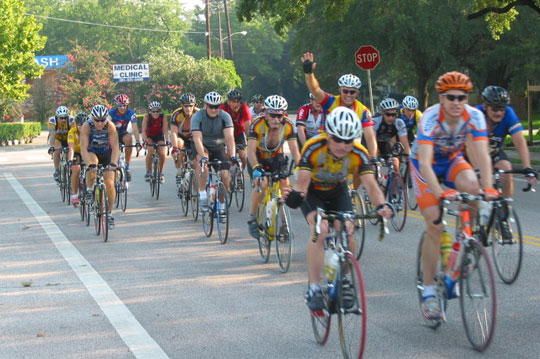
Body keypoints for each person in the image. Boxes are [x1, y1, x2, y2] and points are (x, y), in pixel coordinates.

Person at [282, 107, 393, 310]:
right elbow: (303, 185)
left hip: (337, 190)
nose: (343, 145)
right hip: (313, 191)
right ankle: (314, 288)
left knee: (348, 231)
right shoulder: (314, 146)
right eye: (337, 139)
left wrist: (381, 205)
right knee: (321, 229)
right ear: (328, 135)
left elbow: (370, 183)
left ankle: (344, 280)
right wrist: (296, 197)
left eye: (348, 140)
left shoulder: (360, 153)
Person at [410, 71, 497, 320]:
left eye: (462, 97)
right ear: (441, 98)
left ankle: (462, 242)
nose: (457, 102)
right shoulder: (429, 118)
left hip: (451, 160)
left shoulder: (475, 117)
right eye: (451, 98)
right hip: (423, 165)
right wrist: (440, 193)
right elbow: (425, 164)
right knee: (434, 223)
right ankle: (428, 294)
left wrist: (488, 188)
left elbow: (482, 156)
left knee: (473, 186)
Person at [301, 52, 378, 159]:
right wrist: (309, 73)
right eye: (345, 91)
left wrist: (373, 158)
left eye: (352, 92)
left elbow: (370, 137)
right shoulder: (330, 101)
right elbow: (315, 90)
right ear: (340, 91)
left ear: (357, 93)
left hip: (346, 146)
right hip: (324, 142)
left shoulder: (363, 111)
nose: (348, 95)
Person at [246, 95, 301, 239]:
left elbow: (295, 151)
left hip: (276, 157)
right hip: (258, 157)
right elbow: (250, 151)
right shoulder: (257, 124)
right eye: (273, 115)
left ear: (284, 114)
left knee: (285, 185)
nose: (276, 119)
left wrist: (300, 168)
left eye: (279, 115)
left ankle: (284, 223)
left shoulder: (288, 125)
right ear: (265, 113)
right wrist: (256, 168)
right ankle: (252, 218)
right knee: (262, 184)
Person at [476, 86, 537, 200]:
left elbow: (519, 141)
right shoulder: (476, 114)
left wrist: (528, 167)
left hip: (493, 152)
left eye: (502, 108)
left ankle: (505, 208)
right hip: (474, 154)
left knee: (506, 168)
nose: (499, 113)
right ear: (485, 106)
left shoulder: (508, 114)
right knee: (475, 186)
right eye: (495, 109)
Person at [191, 92, 236, 213]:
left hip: (218, 145)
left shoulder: (225, 116)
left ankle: (221, 204)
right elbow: (197, 139)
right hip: (202, 145)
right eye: (211, 106)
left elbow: (230, 138)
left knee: (225, 175)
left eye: (217, 106)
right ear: (205, 105)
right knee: (202, 163)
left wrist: (232, 156)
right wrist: (203, 157)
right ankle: (203, 195)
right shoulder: (197, 116)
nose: (214, 109)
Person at [80, 104, 119, 228]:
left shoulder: (110, 126)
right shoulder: (87, 126)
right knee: (93, 166)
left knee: (110, 182)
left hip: (106, 153)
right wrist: (89, 164)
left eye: (102, 120)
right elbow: (83, 149)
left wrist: (113, 163)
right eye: (97, 120)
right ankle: (90, 190)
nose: (100, 123)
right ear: (92, 118)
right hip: (92, 152)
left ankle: (109, 214)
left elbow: (115, 147)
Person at [108, 94, 140, 182]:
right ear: (116, 105)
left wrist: (137, 141)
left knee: (129, 138)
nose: (122, 107)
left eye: (124, 105)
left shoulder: (131, 113)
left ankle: (127, 166)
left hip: (123, 134)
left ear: (127, 105)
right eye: (120, 105)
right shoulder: (111, 113)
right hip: (112, 134)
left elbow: (135, 128)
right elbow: (106, 126)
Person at [372, 98, 411, 170]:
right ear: (383, 113)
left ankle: (397, 179)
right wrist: (375, 158)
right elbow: (372, 142)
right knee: (376, 168)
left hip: (386, 146)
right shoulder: (375, 121)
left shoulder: (399, 123)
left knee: (395, 165)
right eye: (388, 114)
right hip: (373, 145)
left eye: (393, 115)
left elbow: (405, 143)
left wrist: (410, 158)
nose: (391, 117)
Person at [170, 92, 199, 184]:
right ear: (182, 105)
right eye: (186, 106)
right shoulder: (177, 114)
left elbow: (203, 131)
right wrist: (175, 148)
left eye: (191, 106)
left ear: (194, 105)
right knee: (179, 145)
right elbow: (174, 132)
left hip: (193, 136)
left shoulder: (198, 113)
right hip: (181, 136)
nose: (188, 108)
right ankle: (179, 171)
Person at [220, 89, 251, 172]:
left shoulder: (245, 108)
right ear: (228, 102)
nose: (236, 104)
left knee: (242, 155)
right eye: (233, 102)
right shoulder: (223, 108)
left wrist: (250, 139)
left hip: (239, 133)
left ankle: (240, 173)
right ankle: (229, 172)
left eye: (238, 102)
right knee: (228, 154)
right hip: (226, 133)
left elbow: (248, 126)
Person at [142, 101, 169, 184]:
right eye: (153, 111)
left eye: (157, 111)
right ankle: (148, 172)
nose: (155, 113)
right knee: (150, 150)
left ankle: (161, 173)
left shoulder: (163, 117)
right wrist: (145, 141)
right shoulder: (147, 117)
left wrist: (167, 141)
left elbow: (165, 130)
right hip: (149, 136)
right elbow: (143, 130)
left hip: (159, 136)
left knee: (162, 152)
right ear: (150, 111)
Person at [48, 106, 75, 182]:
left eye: (65, 118)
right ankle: (57, 170)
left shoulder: (71, 120)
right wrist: (52, 147)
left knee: (70, 152)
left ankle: (69, 169)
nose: (63, 120)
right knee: (57, 150)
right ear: (57, 117)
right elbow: (52, 134)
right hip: (58, 139)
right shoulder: (53, 120)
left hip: (68, 139)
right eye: (61, 118)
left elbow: (74, 133)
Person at [67, 112, 87, 206]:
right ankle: (74, 195)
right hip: (76, 152)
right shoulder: (72, 132)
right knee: (76, 169)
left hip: (86, 151)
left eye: (84, 125)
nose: (82, 127)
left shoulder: (90, 130)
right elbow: (71, 148)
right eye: (80, 125)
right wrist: (70, 160)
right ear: (76, 124)